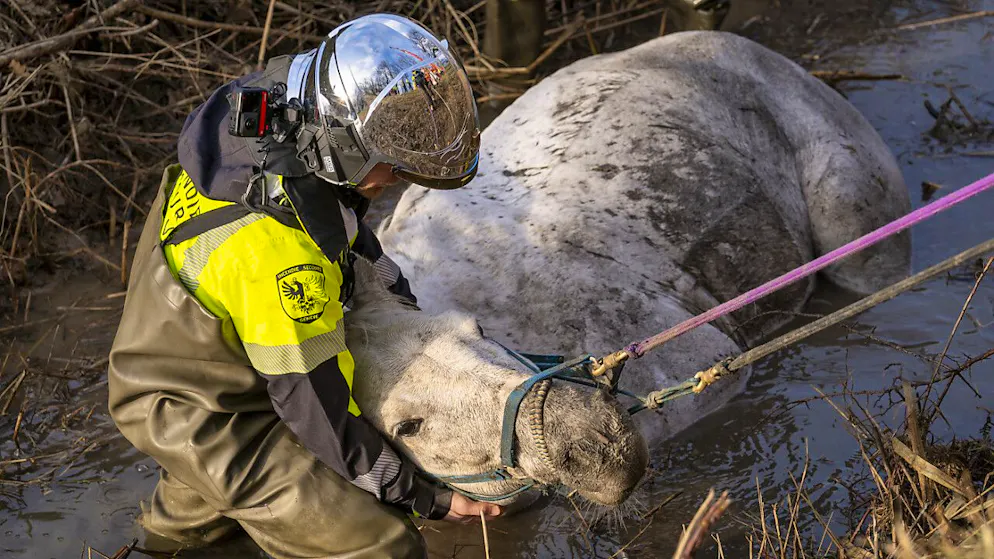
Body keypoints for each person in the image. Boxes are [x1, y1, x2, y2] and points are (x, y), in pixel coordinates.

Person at [107, 14, 499, 559]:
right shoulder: (279, 260)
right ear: (345, 145)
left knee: (194, 534)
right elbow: (318, 409)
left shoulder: (278, 110)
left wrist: (388, 281)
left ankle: (176, 536)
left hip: (186, 360)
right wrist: (422, 498)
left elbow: (328, 209)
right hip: (211, 413)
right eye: (390, 166)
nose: (396, 180)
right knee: (381, 544)